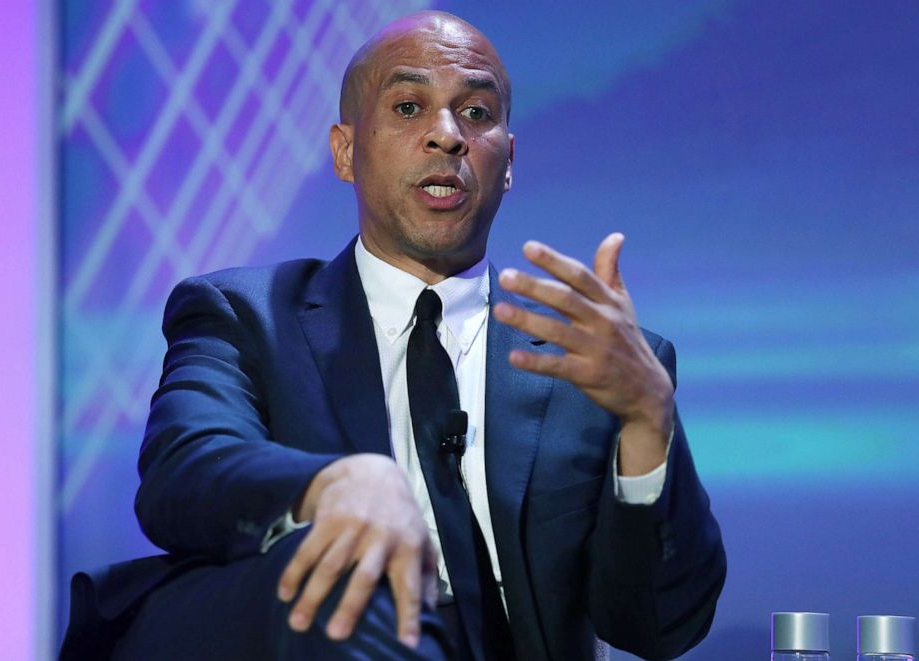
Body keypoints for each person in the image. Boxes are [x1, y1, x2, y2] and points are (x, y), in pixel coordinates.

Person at [61, 10, 725, 661]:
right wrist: (330, 487)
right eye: (409, 107)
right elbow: (186, 466)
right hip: (327, 638)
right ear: (346, 151)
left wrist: (646, 419)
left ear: (509, 159)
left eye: (476, 113)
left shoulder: (595, 362)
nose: (447, 136)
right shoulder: (245, 316)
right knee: (344, 561)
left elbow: (658, 627)